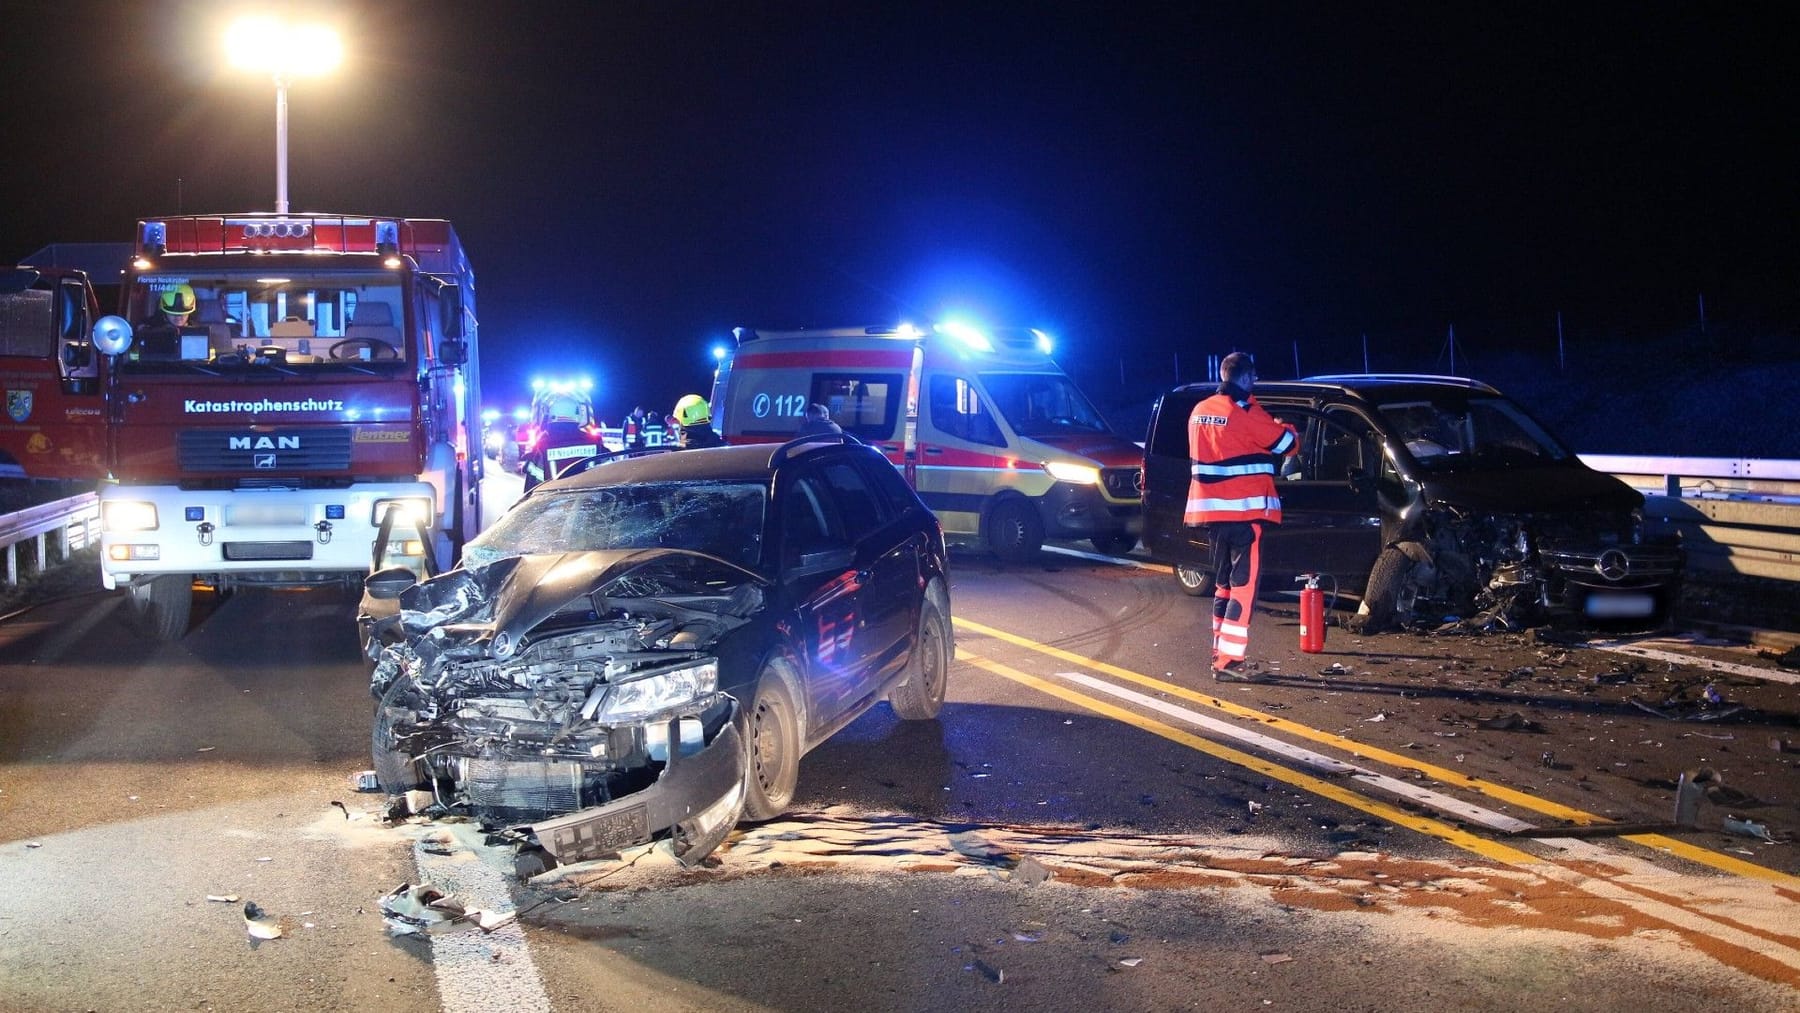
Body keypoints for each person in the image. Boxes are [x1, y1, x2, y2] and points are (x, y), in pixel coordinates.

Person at [1186, 352, 1299, 681]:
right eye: (1254, 379)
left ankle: (1218, 653)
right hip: (1244, 513)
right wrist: (1283, 425)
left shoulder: (1200, 411)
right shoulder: (1245, 411)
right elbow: (1288, 444)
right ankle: (1230, 663)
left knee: (1223, 586)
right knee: (1243, 588)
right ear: (1247, 378)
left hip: (1211, 514)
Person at [135, 283, 197, 358]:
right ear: (163, 311)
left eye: (183, 313)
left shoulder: (198, 333)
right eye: (172, 313)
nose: (178, 316)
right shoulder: (148, 328)